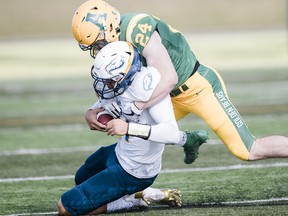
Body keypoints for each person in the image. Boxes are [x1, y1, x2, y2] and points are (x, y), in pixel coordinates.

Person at [71, 0, 288, 162]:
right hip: (164, 94)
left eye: (97, 43)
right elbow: (120, 84)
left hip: (197, 88)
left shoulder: (136, 28)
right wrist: (94, 110)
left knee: (247, 150)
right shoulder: (115, 41)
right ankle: (187, 142)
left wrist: (137, 106)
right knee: (133, 142)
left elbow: (169, 78)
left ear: (108, 27)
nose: (96, 50)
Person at [57, 41, 209, 215]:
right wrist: (90, 113)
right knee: (81, 178)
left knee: (66, 208)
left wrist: (128, 128)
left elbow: (171, 133)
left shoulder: (149, 87)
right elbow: (106, 101)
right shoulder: (120, 82)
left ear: (126, 75)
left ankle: (134, 200)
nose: (105, 86)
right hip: (121, 152)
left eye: (109, 81)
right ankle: (139, 194)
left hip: (135, 171)